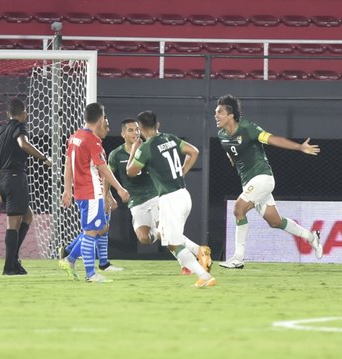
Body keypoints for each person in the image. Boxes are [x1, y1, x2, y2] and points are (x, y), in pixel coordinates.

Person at [215, 94, 323, 269]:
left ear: (231, 115)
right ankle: (312, 237)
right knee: (275, 222)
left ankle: (237, 258)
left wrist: (299, 147)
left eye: (220, 112)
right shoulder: (221, 135)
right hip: (249, 182)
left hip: (263, 178)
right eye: (216, 112)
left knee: (239, 208)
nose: (216, 115)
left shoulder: (248, 128)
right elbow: (232, 153)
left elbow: (273, 139)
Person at [109, 118, 212, 274]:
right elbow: (107, 175)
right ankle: (195, 251)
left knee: (167, 235)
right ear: (122, 133)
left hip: (156, 196)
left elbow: (131, 172)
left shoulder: (147, 148)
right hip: (136, 202)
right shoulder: (116, 155)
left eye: (137, 129)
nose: (135, 133)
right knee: (145, 238)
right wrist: (109, 194)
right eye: (130, 130)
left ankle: (189, 263)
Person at [60, 102, 130, 283]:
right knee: (92, 232)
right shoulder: (92, 140)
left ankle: (69, 259)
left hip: (81, 192)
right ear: (100, 120)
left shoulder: (74, 137)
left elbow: (68, 164)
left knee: (95, 229)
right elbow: (103, 168)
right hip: (91, 193)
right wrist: (119, 189)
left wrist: (67, 189)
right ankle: (90, 274)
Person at [0, 98, 51, 275]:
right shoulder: (20, 127)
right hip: (15, 177)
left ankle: (14, 259)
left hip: (2, 178)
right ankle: (9, 266)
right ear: (23, 113)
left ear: (6, 113)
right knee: (13, 223)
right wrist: (44, 158)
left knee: (27, 216)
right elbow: (23, 144)